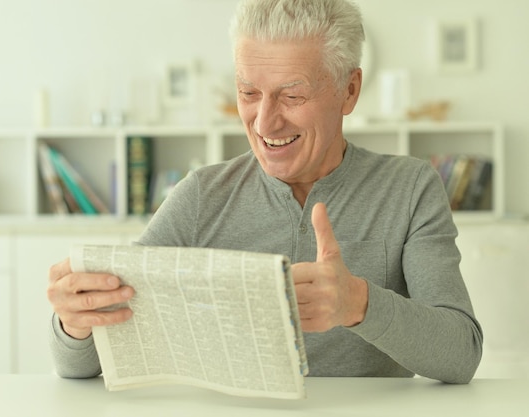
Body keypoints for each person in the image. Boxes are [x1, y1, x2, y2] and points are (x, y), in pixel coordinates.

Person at [47, 0, 483, 383]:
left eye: (292, 96)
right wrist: (74, 322)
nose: (263, 122)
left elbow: (461, 354)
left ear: (349, 91)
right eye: (248, 93)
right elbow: (81, 364)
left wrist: (358, 303)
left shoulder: (409, 188)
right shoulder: (201, 195)